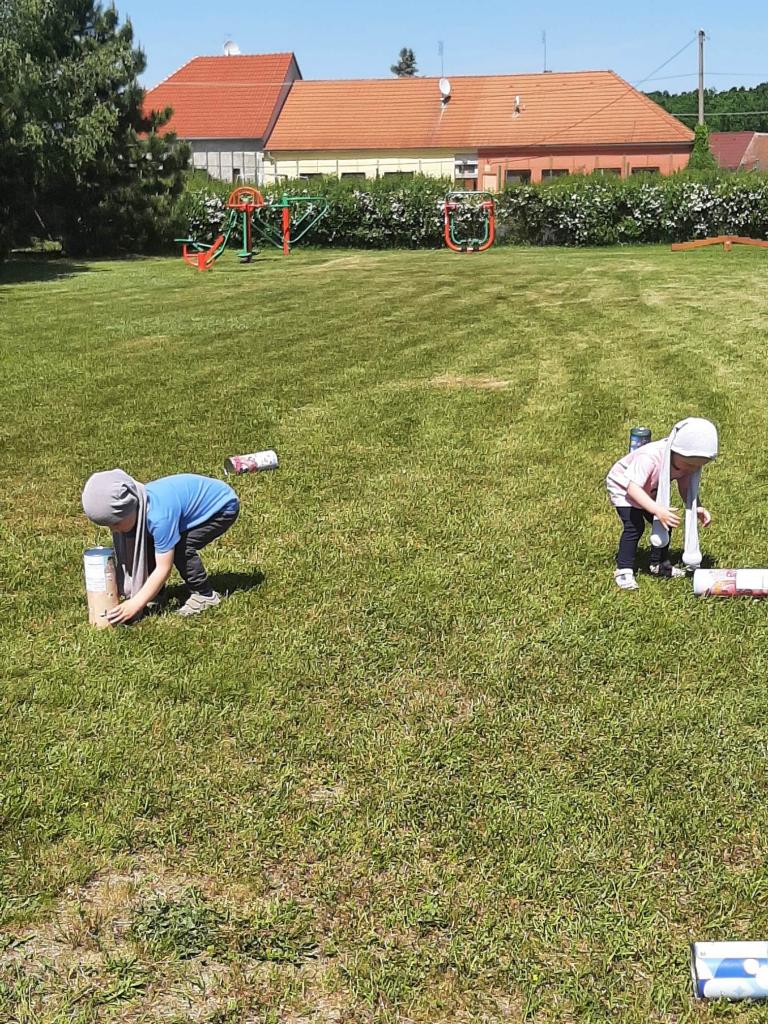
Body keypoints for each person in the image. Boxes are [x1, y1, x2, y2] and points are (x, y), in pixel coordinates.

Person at [82, 469, 240, 621]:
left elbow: (164, 568)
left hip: (222, 507)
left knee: (180, 548)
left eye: (116, 523)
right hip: (189, 504)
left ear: (130, 507)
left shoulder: (159, 518)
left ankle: (204, 595)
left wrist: (135, 604)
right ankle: (156, 594)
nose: (113, 530)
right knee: (147, 541)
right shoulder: (139, 504)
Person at [605, 418, 718, 591]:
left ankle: (659, 564)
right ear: (674, 451)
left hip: (649, 489)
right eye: (688, 465)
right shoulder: (650, 457)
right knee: (635, 526)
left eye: (697, 467)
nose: (690, 470)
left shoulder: (686, 464)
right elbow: (632, 489)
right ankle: (624, 569)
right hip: (624, 489)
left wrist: (698, 507)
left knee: (666, 523)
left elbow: (685, 488)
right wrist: (657, 510)